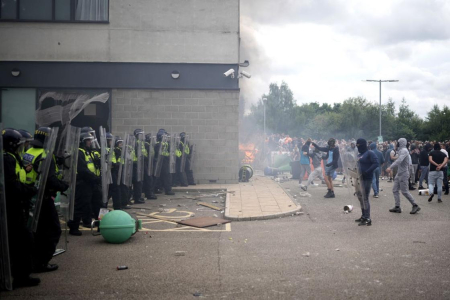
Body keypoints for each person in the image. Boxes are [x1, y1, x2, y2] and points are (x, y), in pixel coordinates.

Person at [22, 127, 69, 273]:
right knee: (52, 230)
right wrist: (63, 186)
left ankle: (32, 260)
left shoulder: (29, 152)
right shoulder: (45, 155)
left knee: (36, 230)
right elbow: (49, 179)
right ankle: (41, 262)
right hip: (42, 197)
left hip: (30, 196)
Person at [2, 129, 40, 288]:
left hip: (17, 205)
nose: (22, 148)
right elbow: (12, 186)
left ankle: (20, 275)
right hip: (12, 207)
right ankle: (20, 277)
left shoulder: (12, 158)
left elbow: (16, 179)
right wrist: (30, 190)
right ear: (12, 145)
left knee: (22, 240)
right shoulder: (8, 160)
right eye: (20, 145)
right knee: (22, 242)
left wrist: (26, 172)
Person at [67, 132, 101, 236]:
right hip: (84, 183)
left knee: (99, 205)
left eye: (90, 140)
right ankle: (73, 227)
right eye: (88, 140)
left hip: (93, 182)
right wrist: (95, 178)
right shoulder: (79, 152)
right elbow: (82, 170)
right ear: (82, 141)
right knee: (80, 204)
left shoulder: (89, 151)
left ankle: (102, 225)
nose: (90, 142)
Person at [386, 138, 421, 214]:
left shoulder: (404, 151)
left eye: (397, 142)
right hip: (399, 173)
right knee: (395, 190)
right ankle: (397, 206)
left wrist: (390, 167)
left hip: (404, 173)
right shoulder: (401, 150)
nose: (396, 144)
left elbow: (399, 160)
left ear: (401, 143)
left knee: (404, 191)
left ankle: (415, 205)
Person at [354, 139, 378, 226]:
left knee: (364, 198)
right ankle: (363, 216)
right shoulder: (360, 154)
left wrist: (367, 171)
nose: (358, 147)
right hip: (359, 178)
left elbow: (376, 163)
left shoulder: (370, 153)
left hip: (367, 178)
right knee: (360, 197)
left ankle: (367, 218)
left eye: (359, 145)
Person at [131, 129, 146, 204]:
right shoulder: (136, 143)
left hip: (139, 163)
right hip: (135, 163)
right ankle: (137, 198)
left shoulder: (140, 143)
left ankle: (138, 196)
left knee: (140, 182)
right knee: (137, 182)